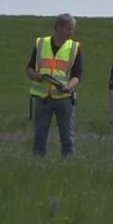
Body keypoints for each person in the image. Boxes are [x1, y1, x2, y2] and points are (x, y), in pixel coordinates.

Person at [25, 13, 83, 156]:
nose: (71, 32)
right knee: (39, 137)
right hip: (42, 98)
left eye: (72, 29)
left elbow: (78, 74)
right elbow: (29, 68)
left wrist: (69, 86)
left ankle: (69, 165)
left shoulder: (74, 47)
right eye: (68, 29)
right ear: (58, 27)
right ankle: (37, 165)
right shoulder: (41, 43)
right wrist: (36, 76)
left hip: (64, 98)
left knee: (67, 137)